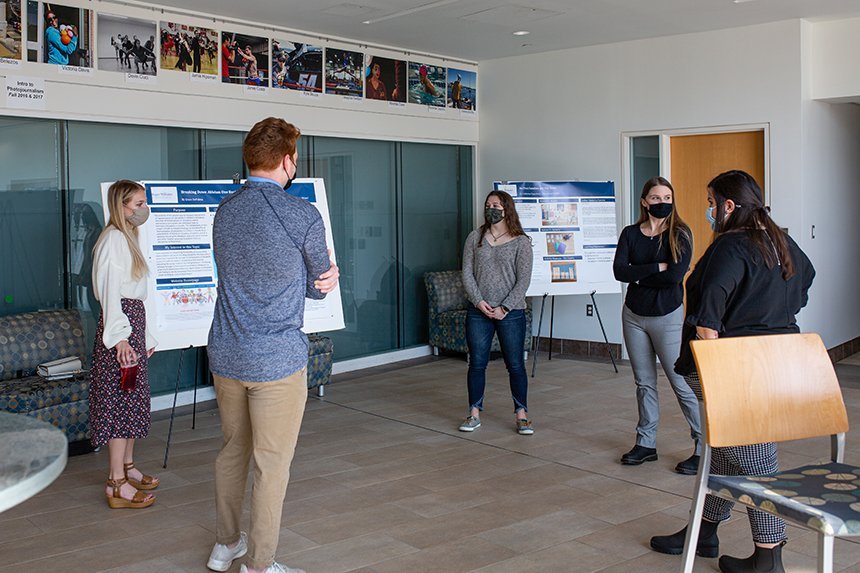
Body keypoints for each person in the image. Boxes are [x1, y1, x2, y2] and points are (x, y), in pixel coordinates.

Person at [649, 170, 815, 573]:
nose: (708, 211)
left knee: (755, 462)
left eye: (711, 202)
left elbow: (707, 324)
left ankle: (769, 555)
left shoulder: (730, 247)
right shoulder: (780, 240)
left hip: (734, 370)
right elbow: (804, 281)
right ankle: (703, 533)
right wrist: (770, 319)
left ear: (728, 205)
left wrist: (722, 379)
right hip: (774, 366)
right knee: (723, 450)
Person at [205, 117, 340, 573]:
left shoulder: (226, 210)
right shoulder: (302, 214)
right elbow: (320, 283)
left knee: (232, 452)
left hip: (226, 352)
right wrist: (323, 281)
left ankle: (225, 545)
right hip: (277, 360)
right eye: (295, 157)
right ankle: (260, 565)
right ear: (286, 160)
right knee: (271, 464)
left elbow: (241, 274)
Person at [613, 176, 701, 474]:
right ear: (644, 201)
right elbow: (619, 271)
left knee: (680, 383)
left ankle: (704, 446)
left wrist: (637, 274)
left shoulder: (680, 233)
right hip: (634, 316)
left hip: (668, 316)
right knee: (644, 383)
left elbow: (674, 276)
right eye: (655, 198)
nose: (662, 203)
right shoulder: (630, 234)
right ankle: (646, 443)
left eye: (667, 198)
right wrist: (653, 268)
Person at [89, 180, 159, 510]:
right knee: (120, 403)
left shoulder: (129, 237)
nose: (143, 209)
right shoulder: (114, 239)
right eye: (138, 203)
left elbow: (139, 293)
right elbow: (110, 293)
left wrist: (146, 337)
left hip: (133, 324)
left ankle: (127, 468)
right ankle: (116, 483)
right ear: (122, 206)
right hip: (121, 329)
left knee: (131, 402)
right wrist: (120, 339)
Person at [459, 190, 534, 435]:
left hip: (511, 313)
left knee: (515, 365)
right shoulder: (475, 237)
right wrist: (478, 301)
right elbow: (467, 273)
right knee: (477, 363)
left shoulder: (521, 241)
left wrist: (504, 307)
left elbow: (523, 281)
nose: (491, 208)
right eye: (488, 204)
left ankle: (522, 415)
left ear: (507, 209)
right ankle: (473, 413)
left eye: (497, 205)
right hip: (478, 311)